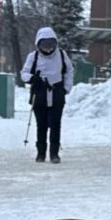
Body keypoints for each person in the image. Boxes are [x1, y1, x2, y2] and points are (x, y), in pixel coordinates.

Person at [22, 27, 72, 164]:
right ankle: (41, 153)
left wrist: (65, 89)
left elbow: (69, 72)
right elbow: (24, 73)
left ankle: (54, 153)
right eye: (44, 45)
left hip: (57, 93)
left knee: (55, 124)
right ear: (38, 44)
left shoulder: (62, 55)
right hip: (40, 95)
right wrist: (33, 79)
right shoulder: (33, 56)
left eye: (51, 44)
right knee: (41, 125)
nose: (48, 48)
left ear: (55, 43)